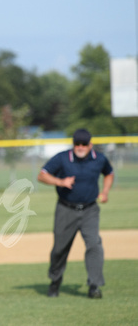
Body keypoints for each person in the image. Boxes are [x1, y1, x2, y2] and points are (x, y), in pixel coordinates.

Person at [37, 128, 114, 299]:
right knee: (59, 249)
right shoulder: (63, 158)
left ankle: (94, 286)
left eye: (84, 144)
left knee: (94, 245)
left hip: (90, 210)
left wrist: (106, 191)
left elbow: (109, 173)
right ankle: (55, 281)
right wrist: (60, 181)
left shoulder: (99, 159)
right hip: (66, 209)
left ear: (90, 145)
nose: (80, 147)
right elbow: (42, 175)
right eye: (77, 144)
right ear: (73, 144)